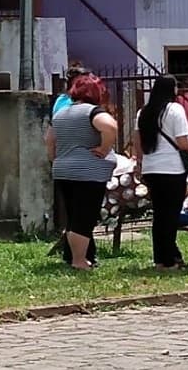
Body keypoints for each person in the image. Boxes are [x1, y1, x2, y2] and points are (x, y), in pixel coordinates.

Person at [47, 73, 118, 270]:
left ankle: (77, 257)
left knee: (73, 215)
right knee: (84, 217)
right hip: (88, 172)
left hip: (63, 170)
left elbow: (49, 140)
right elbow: (110, 126)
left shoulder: (61, 113)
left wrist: (56, 159)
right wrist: (104, 149)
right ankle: (79, 261)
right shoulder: (92, 112)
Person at [133, 74, 188, 270]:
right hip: (172, 168)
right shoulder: (175, 110)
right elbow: (183, 142)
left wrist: (141, 163)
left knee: (160, 215)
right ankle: (169, 259)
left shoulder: (143, 112)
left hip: (152, 168)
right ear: (172, 89)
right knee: (171, 215)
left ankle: (161, 257)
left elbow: (137, 142)